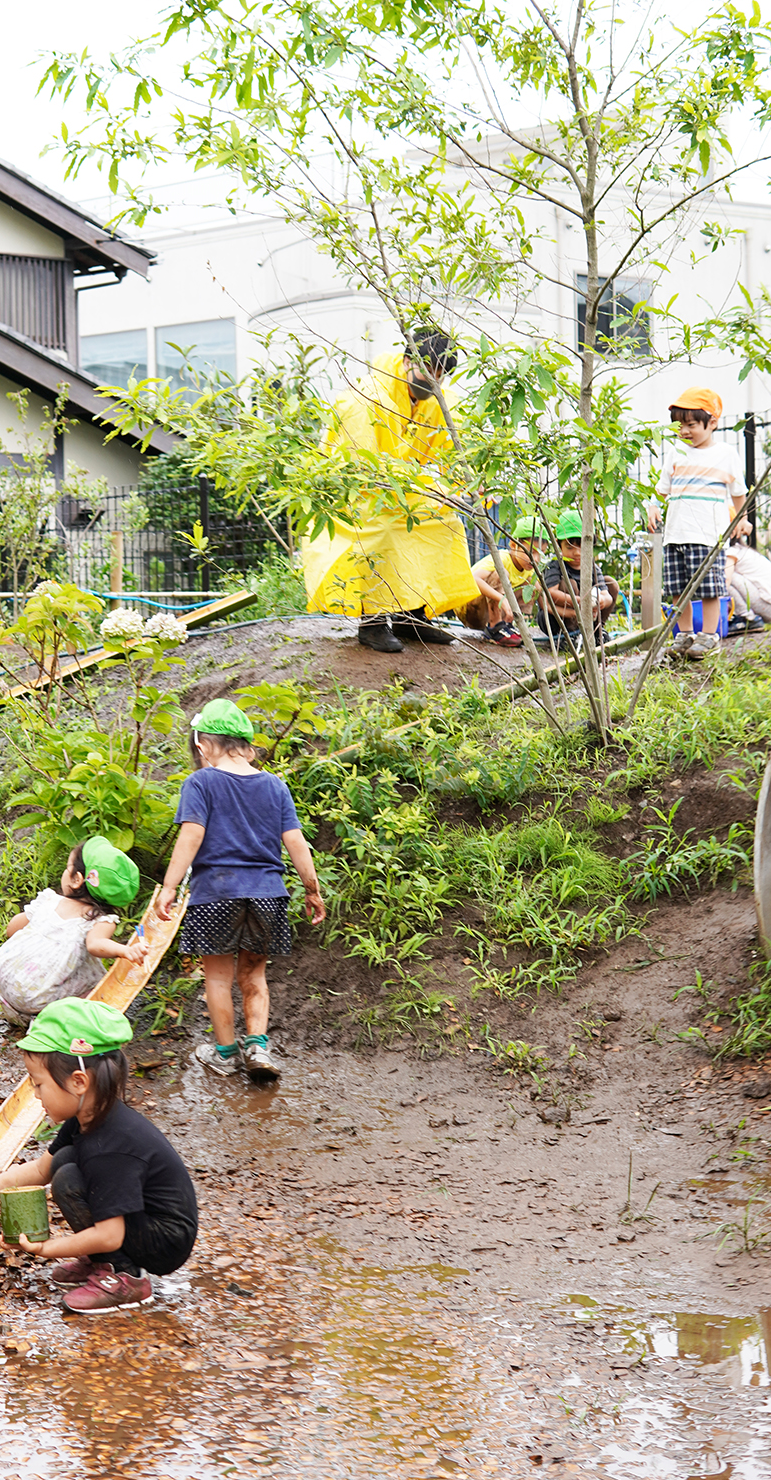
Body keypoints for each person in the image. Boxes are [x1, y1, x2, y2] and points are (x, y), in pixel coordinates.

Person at [0, 1000, 198, 1316]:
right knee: (64, 1161)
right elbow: (41, 1170)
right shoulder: (88, 1115)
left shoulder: (110, 1146)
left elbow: (110, 1234)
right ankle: (103, 1261)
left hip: (164, 1240)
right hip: (141, 1220)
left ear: (79, 1082)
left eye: (39, 1084)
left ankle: (125, 1277)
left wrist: (46, 1249)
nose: (36, 1094)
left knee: (69, 1178)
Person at [158, 699, 324, 1081]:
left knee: (218, 977)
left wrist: (169, 886)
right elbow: (296, 842)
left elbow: (191, 835)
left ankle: (225, 1054)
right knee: (254, 974)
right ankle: (258, 1048)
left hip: (216, 893)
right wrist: (312, 890)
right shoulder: (275, 786)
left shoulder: (200, 783)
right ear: (247, 745)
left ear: (203, 745)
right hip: (268, 894)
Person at [299, 327, 480, 654]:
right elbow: (363, 468)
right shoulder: (366, 398)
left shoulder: (438, 401)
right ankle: (372, 622)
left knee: (445, 523)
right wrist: (428, 486)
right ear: (408, 360)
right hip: (355, 493)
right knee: (380, 531)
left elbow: (453, 452)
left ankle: (413, 616)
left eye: (440, 372)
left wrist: (465, 486)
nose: (434, 378)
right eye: (428, 368)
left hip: (402, 489)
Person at [0, 836, 147, 1023]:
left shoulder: (49, 901)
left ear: (76, 880)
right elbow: (96, 944)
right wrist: (125, 950)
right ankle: (52, 1021)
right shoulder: (100, 920)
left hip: (3, 983)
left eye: (67, 868)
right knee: (97, 984)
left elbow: (12, 929)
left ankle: (27, 1011)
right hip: (35, 999)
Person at [647, 386, 746, 661]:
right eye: (680, 426)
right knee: (678, 590)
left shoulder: (726, 454)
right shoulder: (676, 452)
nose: (684, 431)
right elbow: (661, 489)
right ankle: (685, 634)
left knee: (709, 589)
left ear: (712, 422)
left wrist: (743, 518)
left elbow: (739, 492)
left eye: (691, 425)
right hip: (675, 534)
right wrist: (652, 506)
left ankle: (709, 635)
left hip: (708, 536)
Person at [537, 510, 619, 645]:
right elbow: (551, 593)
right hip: (558, 619)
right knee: (570, 584)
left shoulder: (591, 567)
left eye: (583, 547)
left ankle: (597, 630)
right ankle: (568, 636)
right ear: (558, 545)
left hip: (588, 614)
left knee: (611, 583)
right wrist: (580, 602)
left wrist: (601, 600)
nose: (577, 553)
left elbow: (607, 596)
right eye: (570, 547)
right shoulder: (555, 565)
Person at [458, 516, 541, 645]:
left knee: (534, 584)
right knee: (501, 574)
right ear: (513, 545)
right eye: (530, 552)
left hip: (488, 613)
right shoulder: (501, 558)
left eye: (540, 553)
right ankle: (495, 627)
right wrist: (502, 599)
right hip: (470, 610)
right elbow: (474, 578)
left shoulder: (528, 568)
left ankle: (508, 624)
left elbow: (541, 594)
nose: (535, 559)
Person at [725, 523, 771, 633]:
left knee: (723, 578)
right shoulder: (743, 550)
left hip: (767, 607)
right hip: (767, 605)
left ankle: (747, 618)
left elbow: (726, 580)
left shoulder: (732, 552)